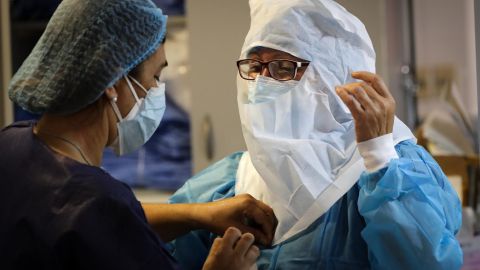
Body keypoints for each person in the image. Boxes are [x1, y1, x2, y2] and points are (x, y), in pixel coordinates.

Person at [167, 0, 463, 269]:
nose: (261, 82)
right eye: (255, 66)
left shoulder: (394, 172)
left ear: (334, 76)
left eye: (283, 68)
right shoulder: (231, 182)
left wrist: (378, 155)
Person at [0, 0, 277, 269]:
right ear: (113, 82)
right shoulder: (94, 200)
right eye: (155, 77)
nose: (157, 90)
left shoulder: (12, 142)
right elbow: (100, 219)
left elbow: (106, 224)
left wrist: (198, 214)